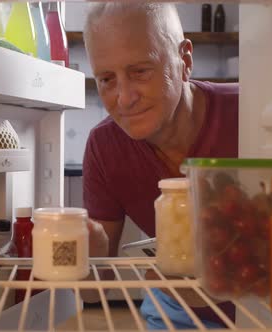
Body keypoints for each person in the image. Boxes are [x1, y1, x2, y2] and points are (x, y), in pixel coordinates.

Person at [81, 3, 239, 330]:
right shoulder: (105, 147)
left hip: (262, 305)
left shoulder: (246, 113)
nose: (124, 98)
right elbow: (97, 287)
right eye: (107, 79)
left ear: (185, 60)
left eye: (140, 71)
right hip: (176, 307)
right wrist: (89, 252)